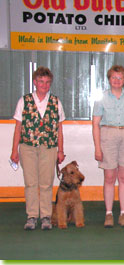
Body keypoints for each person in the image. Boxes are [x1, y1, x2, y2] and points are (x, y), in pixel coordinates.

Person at [10, 66, 66, 230]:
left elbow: (60, 129)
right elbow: (18, 127)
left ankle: (46, 216)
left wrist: (60, 150)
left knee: (47, 182)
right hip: (27, 146)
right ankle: (32, 216)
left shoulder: (56, 102)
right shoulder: (24, 101)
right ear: (35, 82)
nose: (44, 85)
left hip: (49, 147)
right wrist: (14, 151)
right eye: (41, 81)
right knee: (31, 182)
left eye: (47, 82)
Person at [92, 65, 124, 228]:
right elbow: (95, 124)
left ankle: (123, 213)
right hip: (108, 136)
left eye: (120, 78)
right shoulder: (101, 99)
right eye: (113, 77)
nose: (116, 81)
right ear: (109, 79)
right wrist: (97, 148)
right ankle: (108, 213)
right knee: (109, 177)